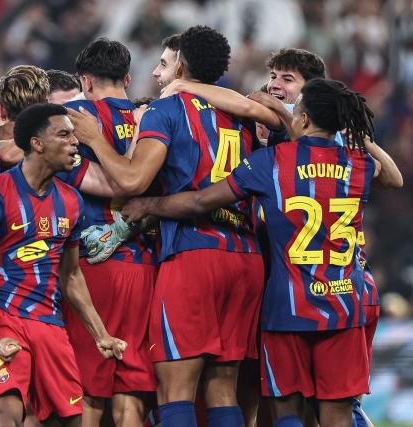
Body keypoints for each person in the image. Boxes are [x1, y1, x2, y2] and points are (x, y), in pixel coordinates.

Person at [120, 78, 379, 427]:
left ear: (301, 120)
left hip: (287, 307)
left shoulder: (271, 161)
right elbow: (391, 176)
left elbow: (200, 200)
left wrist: (148, 203)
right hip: (344, 305)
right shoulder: (360, 165)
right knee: (337, 418)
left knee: (285, 413)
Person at [67, 26, 263, 427]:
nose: (156, 75)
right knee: (223, 390)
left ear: (182, 67)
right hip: (246, 256)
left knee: (175, 392)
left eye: (164, 64)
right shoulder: (242, 112)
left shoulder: (166, 110)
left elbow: (133, 180)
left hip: (193, 252)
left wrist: (95, 140)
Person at [0, 103, 127, 426]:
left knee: (70, 419)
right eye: (64, 135)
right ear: (37, 144)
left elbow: (71, 275)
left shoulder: (71, 201)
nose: (74, 142)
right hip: (4, 318)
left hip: (48, 323)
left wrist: (101, 334)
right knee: (6, 412)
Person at [56, 37, 158, 427]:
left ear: (86, 80)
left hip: (90, 266)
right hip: (144, 265)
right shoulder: (152, 118)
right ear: (128, 78)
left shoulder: (73, 115)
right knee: (131, 388)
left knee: (88, 390)